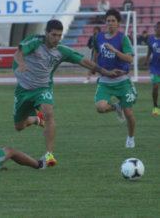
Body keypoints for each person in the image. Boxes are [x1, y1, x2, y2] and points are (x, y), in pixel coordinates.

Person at [13, 19, 125, 167]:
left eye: (59, 35)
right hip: (23, 89)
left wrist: (106, 72)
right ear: (46, 33)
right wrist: (21, 63)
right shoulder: (35, 41)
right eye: (53, 35)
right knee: (19, 126)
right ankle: (35, 119)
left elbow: (84, 62)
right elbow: (19, 52)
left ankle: (49, 155)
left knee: (49, 113)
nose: (57, 39)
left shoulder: (62, 51)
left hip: (43, 88)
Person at [93, 9, 137, 148]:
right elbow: (95, 52)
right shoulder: (99, 37)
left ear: (118, 23)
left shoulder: (123, 38)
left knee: (129, 113)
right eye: (108, 21)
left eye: (113, 21)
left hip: (122, 80)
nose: (110, 23)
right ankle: (117, 106)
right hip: (105, 80)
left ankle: (130, 138)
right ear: (105, 22)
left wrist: (115, 50)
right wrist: (94, 67)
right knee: (100, 108)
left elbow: (129, 59)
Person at [145, 21, 160, 115]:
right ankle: (155, 106)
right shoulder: (151, 39)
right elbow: (150, 49)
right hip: (154, 66)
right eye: (157, 28)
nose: (159, 29)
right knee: (155, 86)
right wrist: (146, 59)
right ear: (154, 29)